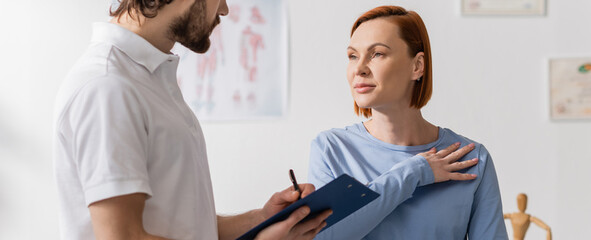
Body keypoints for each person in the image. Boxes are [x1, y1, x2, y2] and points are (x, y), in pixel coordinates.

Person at [53, 0, 330, 239]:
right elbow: (123, 237)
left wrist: (260, 219)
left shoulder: (146, 80)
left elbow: (186, 228)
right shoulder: (108, 86)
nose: (224, 9)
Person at [307, 5, 508, 239]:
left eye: (377, 54)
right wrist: (415, 171)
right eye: (353, 56)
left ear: (417, 66)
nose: (359, 69)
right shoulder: (331, 149)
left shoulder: (472, 159)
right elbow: (323, 236)